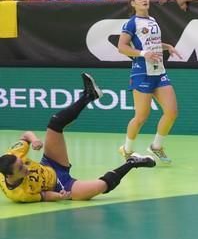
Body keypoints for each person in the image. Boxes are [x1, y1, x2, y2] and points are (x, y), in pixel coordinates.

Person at [0, 73, 156, 203]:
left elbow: (26, 135)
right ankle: (132, 162)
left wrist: (33, 140)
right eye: (21, 169)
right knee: (101, 186)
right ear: (9, 176)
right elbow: (44, 196)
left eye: (23, 163)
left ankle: (89, 95)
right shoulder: (19, 194)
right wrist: (59, 196)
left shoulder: (13, 156)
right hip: (61, 186)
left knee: (55, 122)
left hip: (50, 163)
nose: (25, 167)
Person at [117, 0, 181, 164]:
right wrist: (143, 53)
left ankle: (156, 146)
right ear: (133, 3)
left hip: (159, 71)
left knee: (172, 112)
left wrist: (168, 47)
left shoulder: (152, 20)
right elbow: (122, 47)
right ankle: (127, 149)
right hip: (142, 73)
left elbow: (152, 43)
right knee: (141, 117)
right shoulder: (131, 23)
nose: (145, 0)